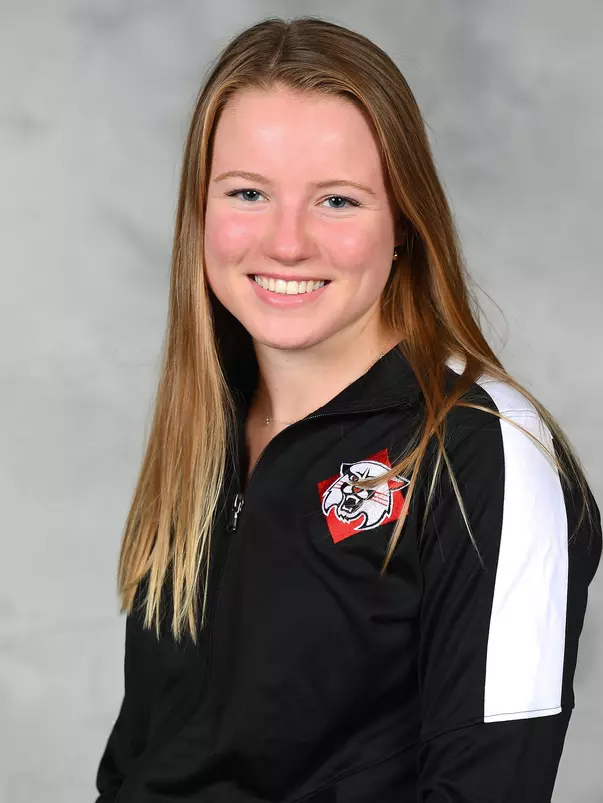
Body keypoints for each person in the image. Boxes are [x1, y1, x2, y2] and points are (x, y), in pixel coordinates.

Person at [95, 15, 602, 803]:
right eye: (248, 193)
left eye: (336, 200)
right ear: (200, 212)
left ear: (403, 221)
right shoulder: (206, 430)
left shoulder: (485, 451)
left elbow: (488, 788)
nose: (286, 242)